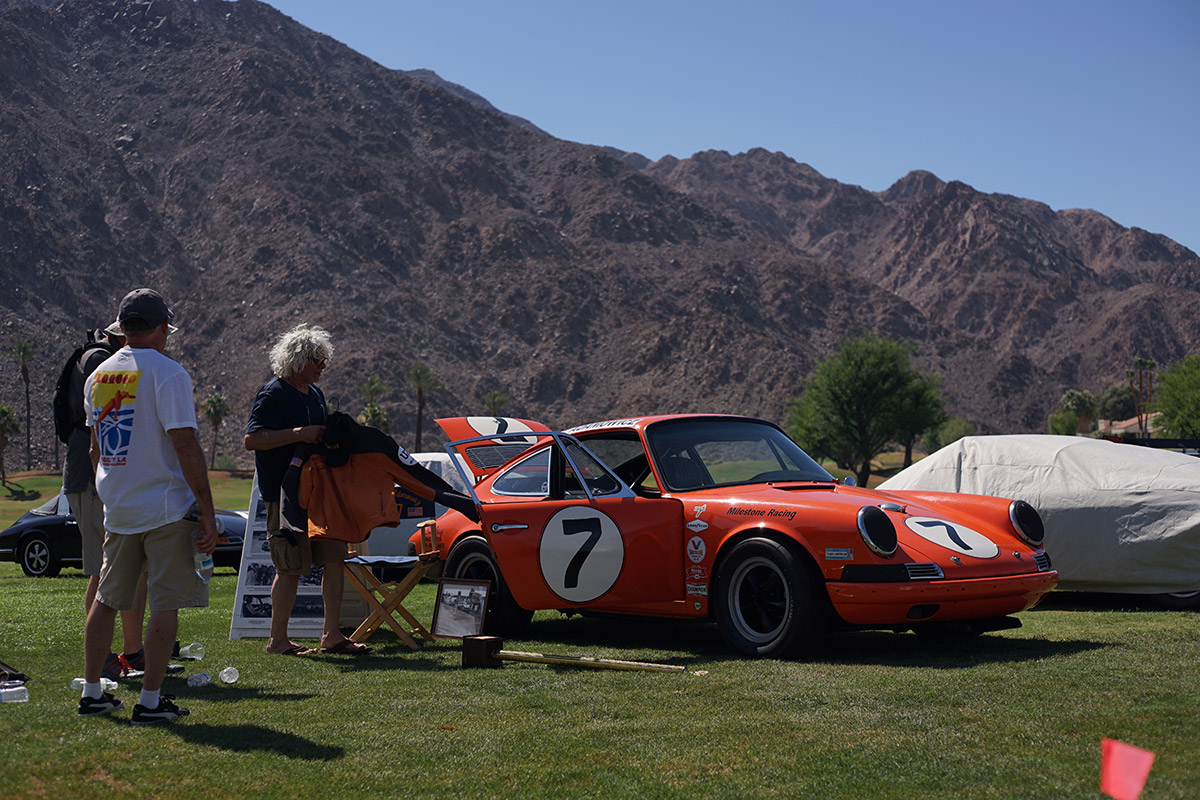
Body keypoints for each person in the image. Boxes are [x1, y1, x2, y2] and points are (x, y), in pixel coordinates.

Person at [78, 289, 217, 724]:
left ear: (121, 329)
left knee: (105, 598)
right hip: (163, 506)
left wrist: (110, 489)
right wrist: (207, 508)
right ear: (162, 329)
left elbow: (95, 448)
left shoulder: (97, 375)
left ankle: (93, 692)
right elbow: (185, 443)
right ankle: (151, 701)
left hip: (118, 506)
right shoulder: (169, 373)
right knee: (164, 603)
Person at [244, 323, 369, 656]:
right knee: (289, 567)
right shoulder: (273, 393)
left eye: (324, 359)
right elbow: (251, 440)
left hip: (321, 495)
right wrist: (299, 432)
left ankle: (331, 635)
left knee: (334, 560)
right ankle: (277, 641)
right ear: (298, 359)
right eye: (317, 359)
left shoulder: (315, 394)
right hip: (286, 497)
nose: (323, 366)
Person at [62, 320, 150, 679]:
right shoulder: (99, 362)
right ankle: (102, 659)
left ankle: (132, 653)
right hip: (92, 480)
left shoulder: (101, 361)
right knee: (103, 570)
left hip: (101, 479)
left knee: (123, 568)